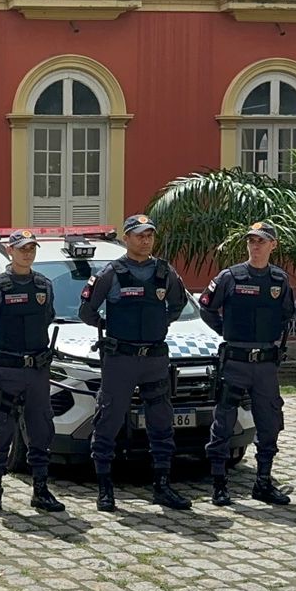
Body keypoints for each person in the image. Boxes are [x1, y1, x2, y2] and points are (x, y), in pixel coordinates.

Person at [79, 215, 192, 512]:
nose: (145, 240)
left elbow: (178, 304)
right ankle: (105, 488)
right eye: (139, 235)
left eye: (150, 235)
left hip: (154, 359)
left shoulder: (164, 272)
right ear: (127, 239)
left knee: (161, 423)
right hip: (121, 360)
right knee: (108, 420)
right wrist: (112, 330)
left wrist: (159, 325)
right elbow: (87, 311)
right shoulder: (111, 273)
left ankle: (162, 485)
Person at [198, 223, 293, 507]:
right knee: (224, 422)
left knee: (269, 422)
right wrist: (226, 331)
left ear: (273, 245)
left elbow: (287, 314)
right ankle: (219, 484)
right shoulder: (231, 277)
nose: (255, 246)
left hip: (265, 364)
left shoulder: (279, 280)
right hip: (236, 361)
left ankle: (263, 482)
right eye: (251, 241)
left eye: (261, 241)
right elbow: (207, 306)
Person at [0, 231, 62, 517]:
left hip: (36, 372)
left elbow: (48, 319)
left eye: (31, 248)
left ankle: (40, 490)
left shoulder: (44, 286)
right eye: (22, 249)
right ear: (11, 251)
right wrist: (0, 353)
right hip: (8, 370)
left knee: (41, 430)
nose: (27, 253)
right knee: (1, 432)